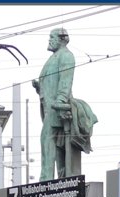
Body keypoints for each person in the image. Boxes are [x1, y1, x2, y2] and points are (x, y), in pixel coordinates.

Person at [32, 28, 97, 181]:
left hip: (56, 107)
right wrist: (40, 87)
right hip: (49, 107)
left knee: (47, 140)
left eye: (52, 37)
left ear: (62, 39)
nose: (49, 40)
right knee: (57, 144)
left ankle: (46, 179)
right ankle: (60, 179)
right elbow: (52, 83)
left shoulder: (66, 56)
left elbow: (65, 81)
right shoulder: (53, 58)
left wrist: (61, 100)